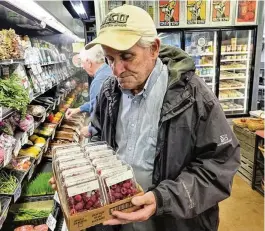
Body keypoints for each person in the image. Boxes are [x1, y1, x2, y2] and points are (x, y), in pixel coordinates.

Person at [50, 4, 240, 231]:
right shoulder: (109, 91)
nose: (116, 70)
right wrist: (80, 175)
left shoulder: (194, 98)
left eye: (127, 56)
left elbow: (219, 164)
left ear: (154, 49)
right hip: (115, 221)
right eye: (110, 59)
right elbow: (98, 138)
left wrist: (163, 199)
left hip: (172, 223)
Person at [66, 45, 112, 136]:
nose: (82, 67)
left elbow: (101, 115)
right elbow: (98, 101)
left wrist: (91, 129)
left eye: (82, 63)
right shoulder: (108, 70)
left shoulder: (98, 81)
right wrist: (79, 109)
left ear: (89, 62)